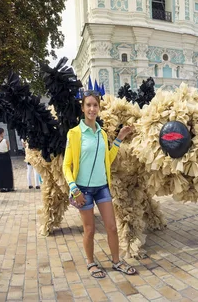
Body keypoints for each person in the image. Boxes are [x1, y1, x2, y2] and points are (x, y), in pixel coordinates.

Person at [63, 90, 136, 279]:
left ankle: (116, 261)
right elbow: (66, 165)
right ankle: (91, 262)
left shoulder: (102, 134)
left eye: (95, 105)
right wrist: (74, 188)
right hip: (83, 190)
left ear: (99, 108)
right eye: (88, 105)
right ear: (82, 108)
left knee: (112, 227)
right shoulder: (75, 134)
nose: (92, 109)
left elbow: (107, 160)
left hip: (102, 187)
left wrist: (119, 139)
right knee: (90, 229)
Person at [0, 127, 14, 192]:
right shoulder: (5, 140)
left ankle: (1, 187)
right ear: (2, 133)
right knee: (7, 172)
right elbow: (7, 148)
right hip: (5, 156)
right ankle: (9, 186)